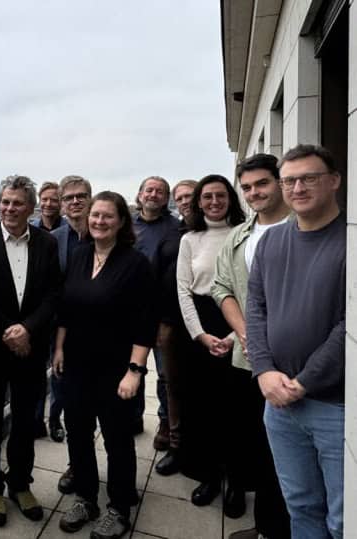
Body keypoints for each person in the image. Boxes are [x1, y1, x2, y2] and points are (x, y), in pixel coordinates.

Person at [246, 144, 346, 539]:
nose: (298, 187)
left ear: (334, 181)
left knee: (343, 520)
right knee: (300, 506)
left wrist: (303, 382)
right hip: (278, 403)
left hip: (333, 405)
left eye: (309, 178)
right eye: (290, 180)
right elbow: (256, 309)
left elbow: (348, 325)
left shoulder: (349, 240)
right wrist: (264, 371)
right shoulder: (271, 242)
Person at [53, 191, 156, 539]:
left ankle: (119, 506)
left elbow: (146, 322)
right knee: (78, 433)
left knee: (117, 438)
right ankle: (86, 498)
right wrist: (59, 349)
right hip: (77, 364)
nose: (99, 221)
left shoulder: (136, 264)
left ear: (121, 221)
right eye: (95, 215)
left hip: (115, 367)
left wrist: (135, 371)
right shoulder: (80, 256)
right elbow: (66, 309)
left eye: (107, 216)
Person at [211, 154, 291, 538]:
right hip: (248, 360)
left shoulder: (302, 227)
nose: (254, 192)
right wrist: (246, 333)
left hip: (294, 363)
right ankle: (266, 528)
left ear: (280, 182)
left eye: (262, 183)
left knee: (289, 456)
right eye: (247, 187)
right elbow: (221, 287)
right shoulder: (238, 236)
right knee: (258, 447)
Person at [0, 175, 61, 528]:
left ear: (31, 207)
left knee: (27, 419)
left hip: (32, 345)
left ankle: (20, 484)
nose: (10, 209)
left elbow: (54, 293)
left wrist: (27, 328)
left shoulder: (46, 243)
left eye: (18, 203)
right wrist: (8, 330)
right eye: (5, 202)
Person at [176, 174, 246, 509]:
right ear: (198, 202)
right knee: (202, 407)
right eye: (207, 197)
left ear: (231, 198)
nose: (214, 202)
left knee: (236, 410)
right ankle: (209, 476)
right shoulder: (189, 239)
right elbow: (183, 289)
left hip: (240, 324)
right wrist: (199, 334)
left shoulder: (244, 234)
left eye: (220, 196)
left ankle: (237, 480)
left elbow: (252, 288)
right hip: (200, 327)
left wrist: (236, 335)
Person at [50, 175, 93, 494]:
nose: (76, 202)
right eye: (69, 198)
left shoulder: (106, 232)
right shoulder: (54, 240)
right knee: (72, 407)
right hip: (64, 338)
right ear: (61, 204)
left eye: (82, 196)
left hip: (103, 337)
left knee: (108, 412)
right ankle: (76, 465)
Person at [132, 176, 180, 447]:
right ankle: (134, 416)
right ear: (140, 195)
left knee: (166, 375)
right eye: (149, 190)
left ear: (166, 198)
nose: (153, 194)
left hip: (164, 315)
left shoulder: (176, 228)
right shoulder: (126, 226)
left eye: (160, 191)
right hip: (132, 313)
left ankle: (165, 423)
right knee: (133, 367)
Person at [153, 179, 196, 477]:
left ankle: (207, 448)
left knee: (205, 386)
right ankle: (178, 446)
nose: (185, 202)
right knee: (172, 383)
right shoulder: (172, 233)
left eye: (190, 196)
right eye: (179, 197)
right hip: (169, 318)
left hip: (209, 322)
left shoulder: (224, 231)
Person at [32, 180, 67, 443]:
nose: (48, 204)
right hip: (36, 314)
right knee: (34, 373)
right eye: (44, 199)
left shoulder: (70, 231)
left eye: (54, 199)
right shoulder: (30, 230)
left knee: (57, 373)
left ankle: (55, 420)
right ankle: (35, 421)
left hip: (60, 315)